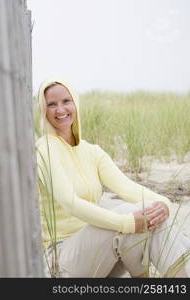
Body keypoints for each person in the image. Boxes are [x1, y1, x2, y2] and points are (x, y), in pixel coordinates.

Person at [36, 77, 190, 277]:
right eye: (51, 104)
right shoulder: (44, 148)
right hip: (62, 260)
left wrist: (164, 205)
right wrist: (126, 222)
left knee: (151, 214)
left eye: (66, 101)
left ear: (75, 103)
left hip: (101, 257)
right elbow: (70, 203)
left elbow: (129, 189)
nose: (60, 109)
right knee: (133, 216)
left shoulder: (92, 151)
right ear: (43, 110)